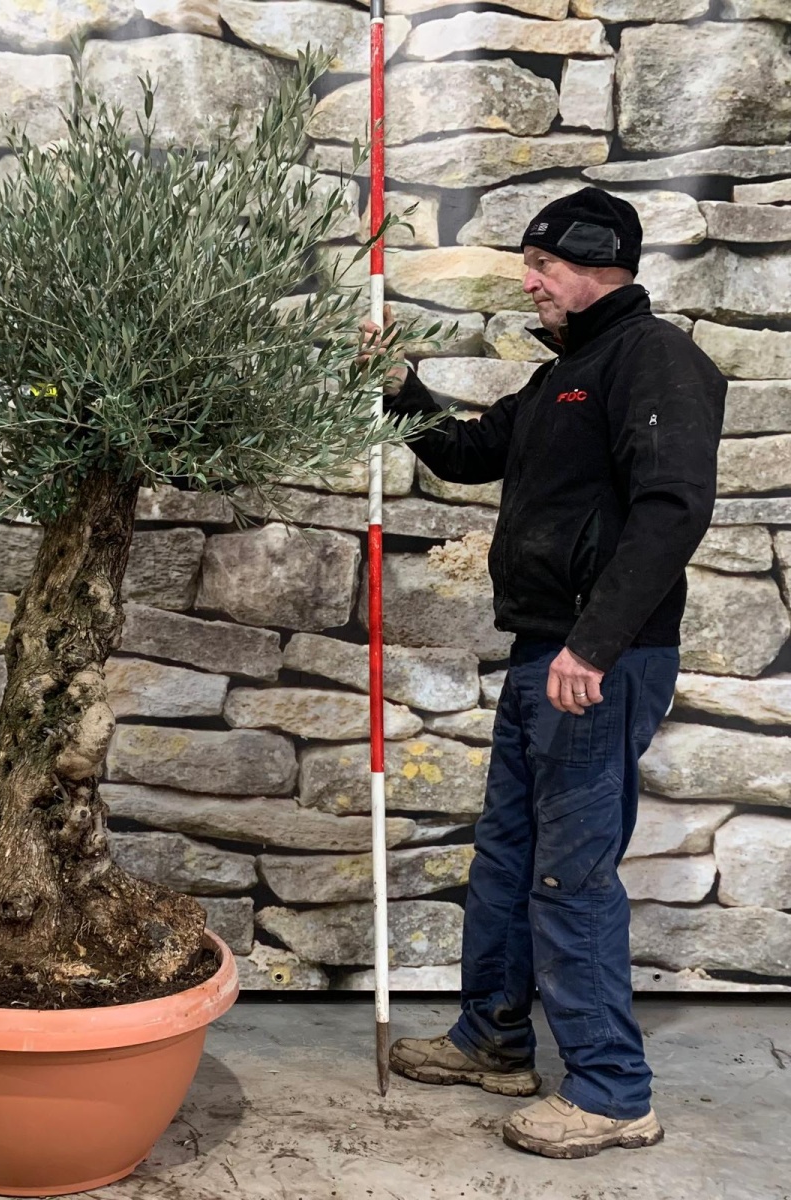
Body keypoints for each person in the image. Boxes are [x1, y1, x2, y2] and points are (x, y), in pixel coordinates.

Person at [363, 189, 726, 1159]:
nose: (528, 282)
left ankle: (612, 1092)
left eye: (540, 265)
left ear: (598, 261)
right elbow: (465, 452)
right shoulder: (562, 379)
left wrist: (595, 644)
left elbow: (673, 507)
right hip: (544, 659)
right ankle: (494, 1040)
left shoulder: (653, 360)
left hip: (596, 665)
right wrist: (398, 385)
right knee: (510, 862)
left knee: (569, 874)